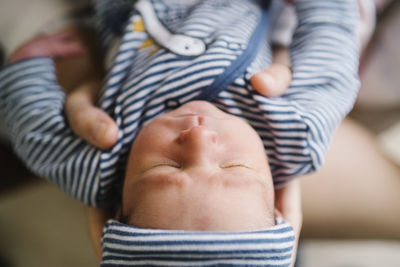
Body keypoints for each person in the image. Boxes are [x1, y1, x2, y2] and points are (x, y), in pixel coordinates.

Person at [0, 0, 359, 266]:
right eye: (234, 167)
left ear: (119, 206)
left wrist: (32, 63)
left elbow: (33, 132)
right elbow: (331, 55)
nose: (199, 138)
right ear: (278, 206)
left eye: (167, 167)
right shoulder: (294, 136)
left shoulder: (98, 162)